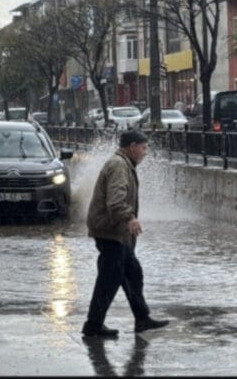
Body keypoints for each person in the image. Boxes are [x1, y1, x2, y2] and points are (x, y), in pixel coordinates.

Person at [82, 129, 169, 338]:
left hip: (115, 231)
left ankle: (142, 319)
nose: (146, 152)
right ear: (132, 147)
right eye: (144, 147)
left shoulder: (123, 164)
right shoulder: (119, 166)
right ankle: (93, 325)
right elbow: (115, 201)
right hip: (110, 231)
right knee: (109, 278)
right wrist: (130, 217)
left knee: (132, 273)